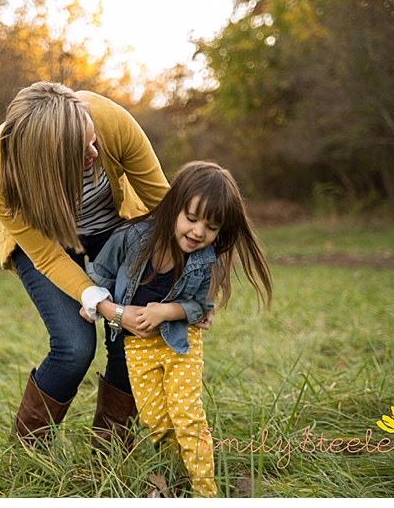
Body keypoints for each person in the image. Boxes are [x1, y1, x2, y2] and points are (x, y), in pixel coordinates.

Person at [0, 80, 179, 448]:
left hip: (115, 230)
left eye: (92, 139)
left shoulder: (109, 121)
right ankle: (27, 453)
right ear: (47, 160)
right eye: (81, 149)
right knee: (74, 346)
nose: (94, 151)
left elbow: (164, 209)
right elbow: (47, 256)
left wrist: (195, 288)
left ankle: (109, 451)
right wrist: (106, 306)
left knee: (130, 333)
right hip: (47, 241)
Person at [82, 160, 273, 497]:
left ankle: (205, 491)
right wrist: (94, 304)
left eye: (212, 226)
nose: (200, 232)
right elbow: (100, 272)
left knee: (187, 416)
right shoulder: (132, 237)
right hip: (138, 347)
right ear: (174, 208)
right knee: (156, 421)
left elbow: (200, 306)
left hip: (181, 344)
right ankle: (180, 474)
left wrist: (166, 311)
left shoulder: (205, 259)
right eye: (192, 218)